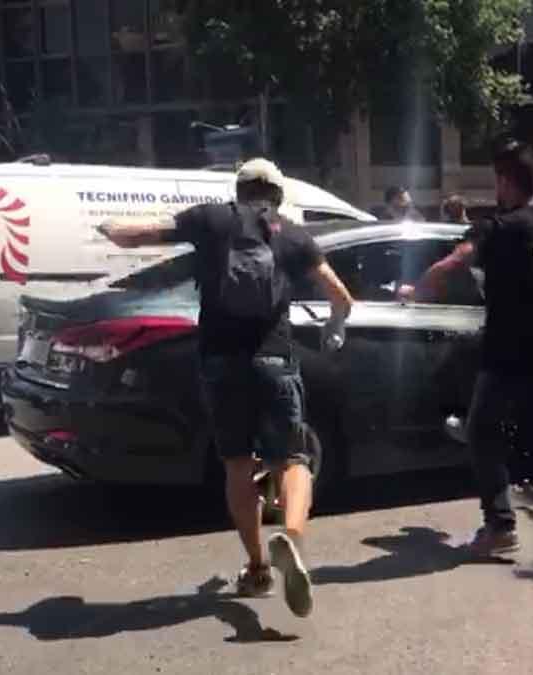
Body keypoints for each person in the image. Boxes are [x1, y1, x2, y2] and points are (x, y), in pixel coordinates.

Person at [101, 159, 354, 617]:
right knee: (292, 462)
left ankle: (257, 567)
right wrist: (335, 328)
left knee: (238, 465)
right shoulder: (294, 234)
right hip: (276, 360)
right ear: (277, 195)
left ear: (238, 190)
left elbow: (132, 234)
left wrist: (107, 224)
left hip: (221, 365)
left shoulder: (210, 219)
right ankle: (291, 540)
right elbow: (341, 295)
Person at [399, 139, 533, 556]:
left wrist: (416, 291)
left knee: (484, 431)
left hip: (511, 351)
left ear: (503, 181)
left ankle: (499, 525)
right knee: (516, 418)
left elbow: (455, 262)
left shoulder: (500, 227)